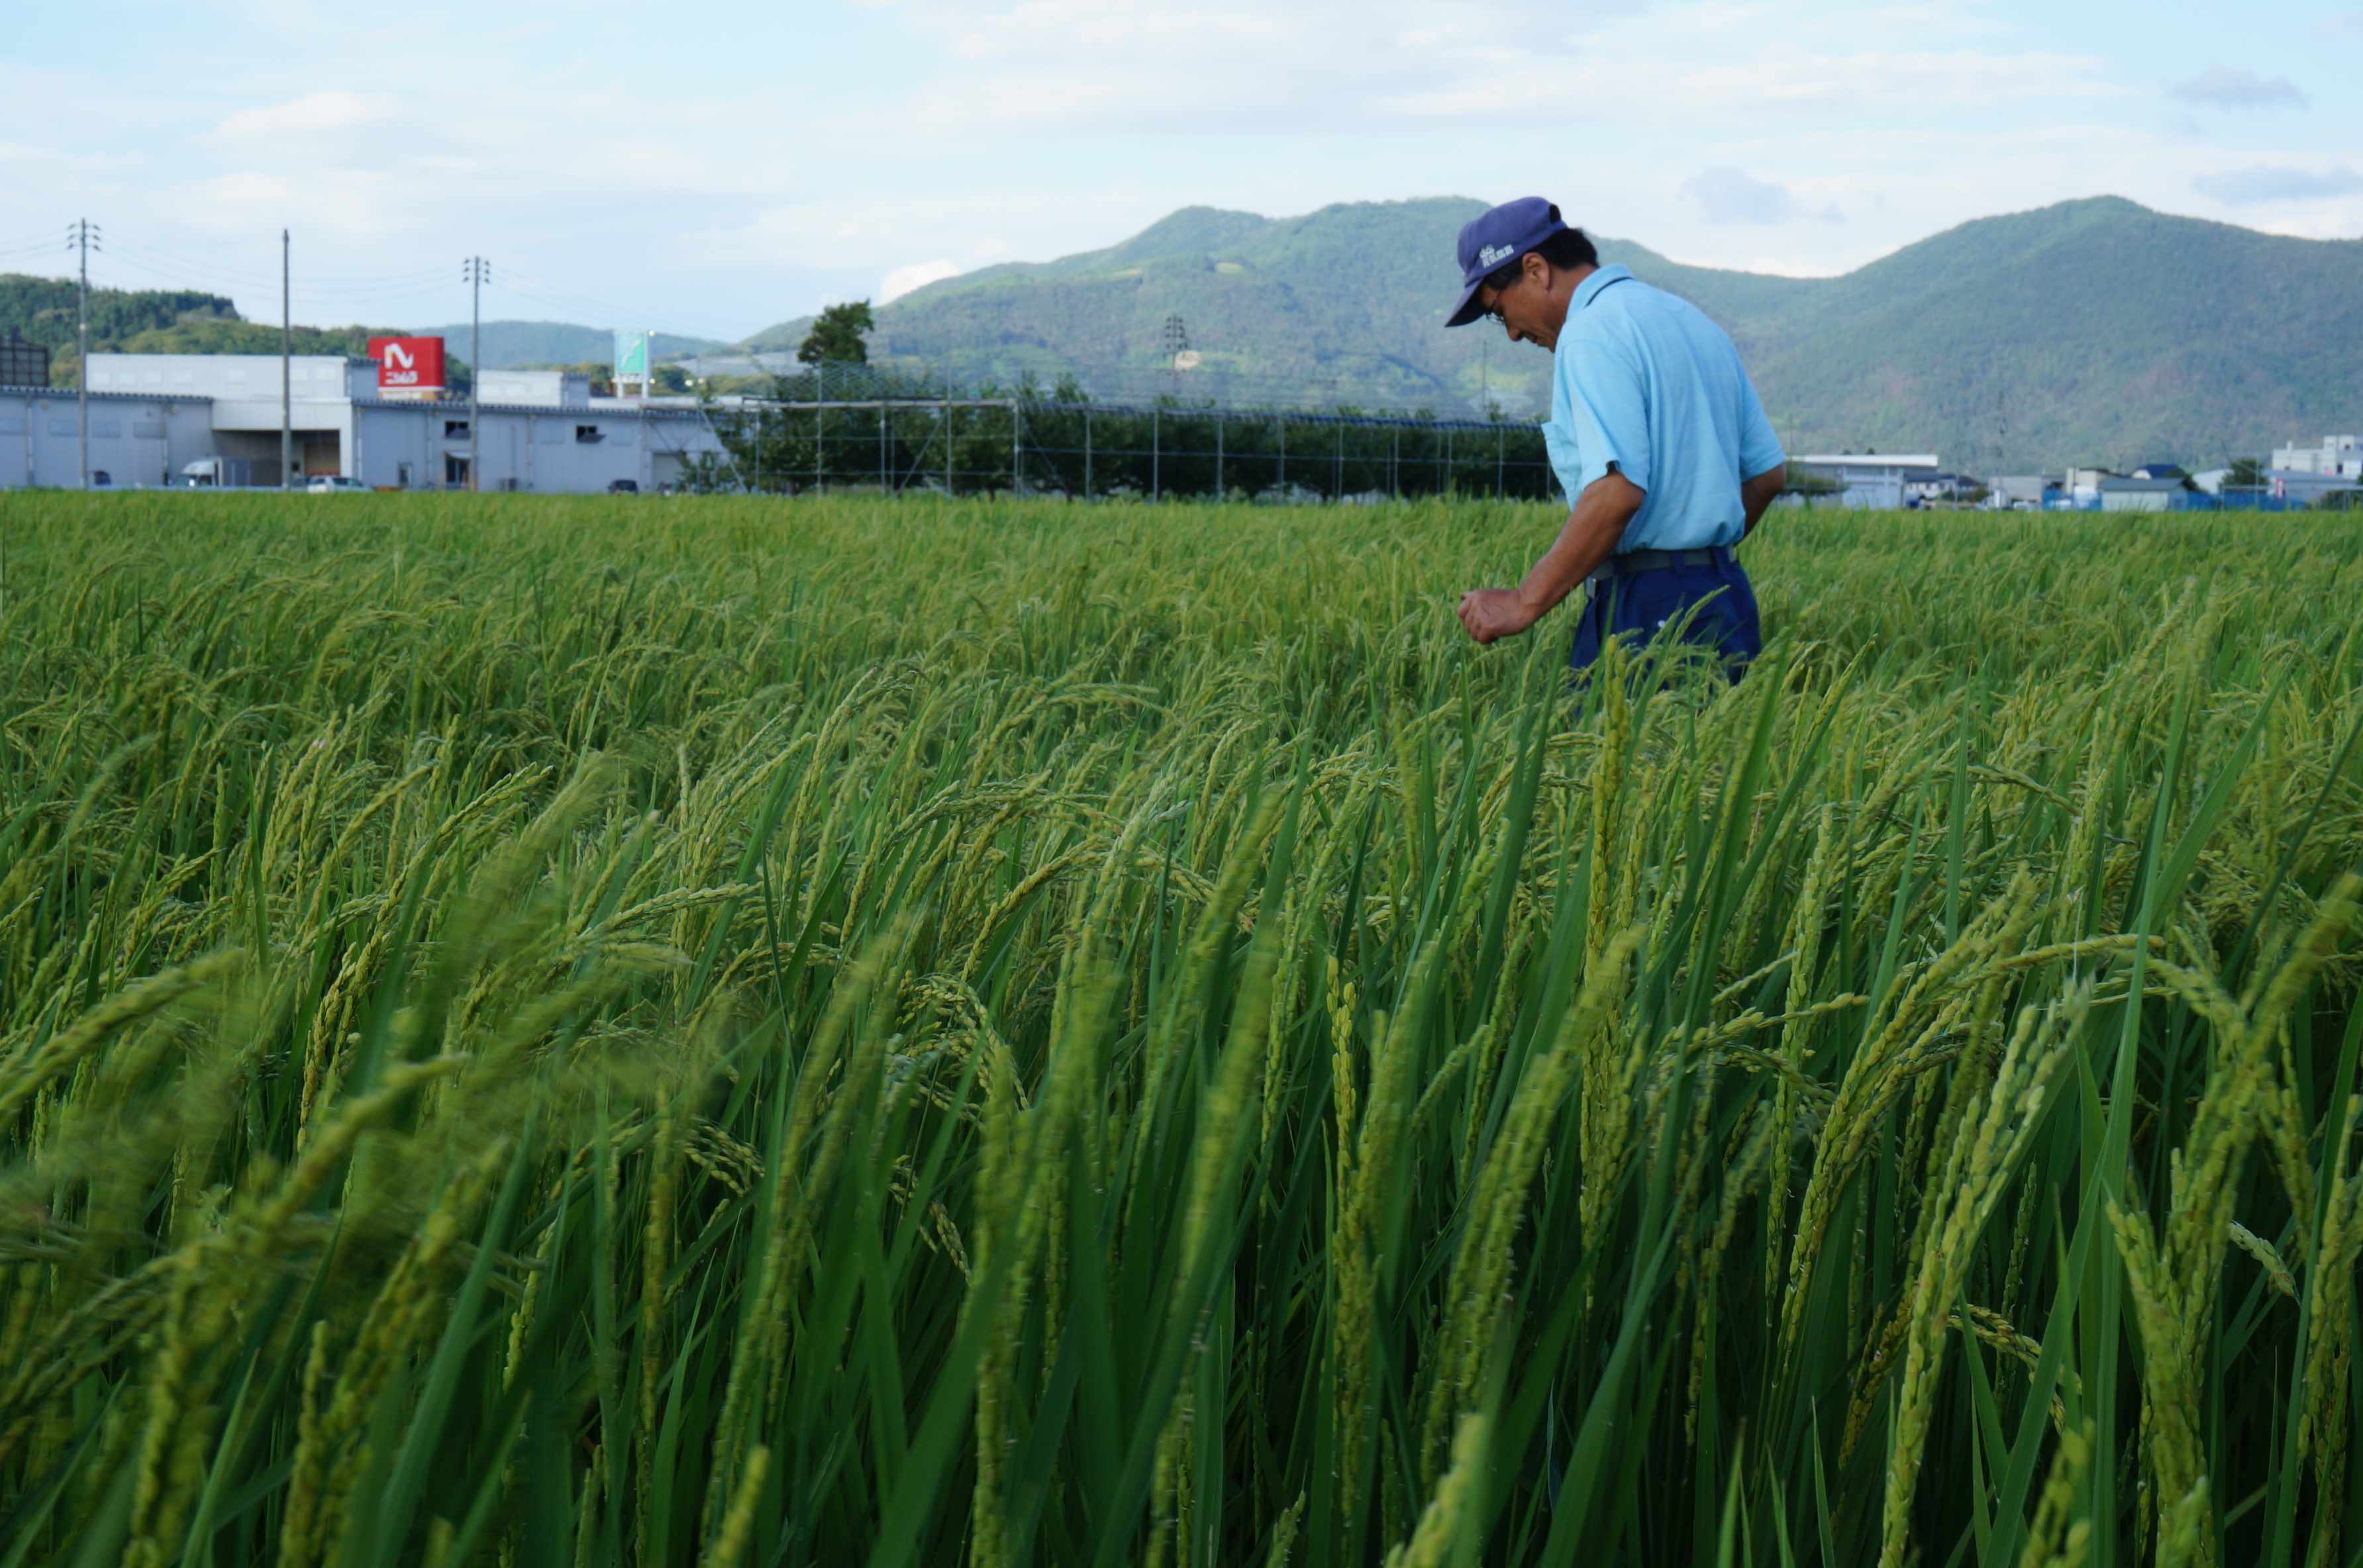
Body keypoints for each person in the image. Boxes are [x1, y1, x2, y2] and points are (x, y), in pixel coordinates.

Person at [1446, 197, 1787, 681]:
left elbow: (1615, 492)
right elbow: (1768, 475)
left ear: (1537, 269)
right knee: (1718, 754)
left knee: (1626, 755)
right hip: (1726, 597)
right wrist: (1694, 560)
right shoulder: (1694, 322)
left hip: (1643, 608)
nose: (1513, 336)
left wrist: (1525, 600)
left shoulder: (1589, 335)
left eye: (1500, 313)